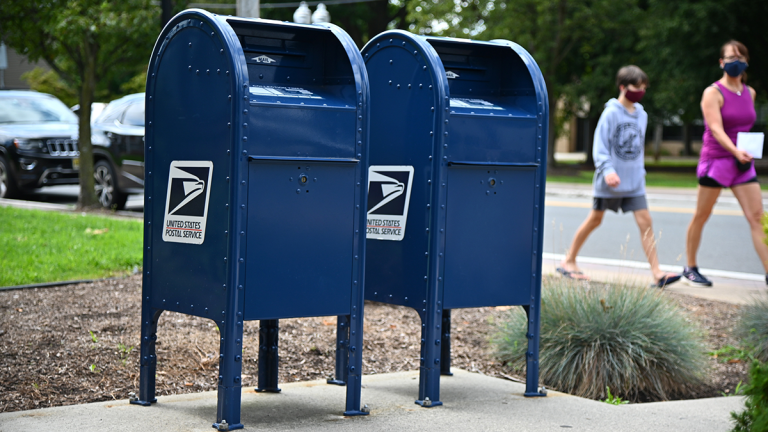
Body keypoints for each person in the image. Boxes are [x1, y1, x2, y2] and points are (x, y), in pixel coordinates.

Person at [558, 65, 681, 287]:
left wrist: (640, 172)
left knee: (646, 222)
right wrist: (608, 170)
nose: (641, 91)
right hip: (610, 181)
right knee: (595, 220)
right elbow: (600, 146)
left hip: (634, 181)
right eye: (637, 87)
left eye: (644, 87)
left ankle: (657, 273)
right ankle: (568, 261)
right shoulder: (610, 113)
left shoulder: (641, 114)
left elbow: (638, 148)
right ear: (623, 87)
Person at [683, 40, 768, 287]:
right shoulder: (713, 92)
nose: (736, 62)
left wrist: (746, 151)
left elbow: (745, 126)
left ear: (747, 61)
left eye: (740, 57)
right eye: (731, 57)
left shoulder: (750, 92)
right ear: (721, 62)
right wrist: (735, 150)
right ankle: (690, 267)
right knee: (702, 214)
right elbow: (716, 129)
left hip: (742, 164)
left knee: (757, 216)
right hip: (717, 161)